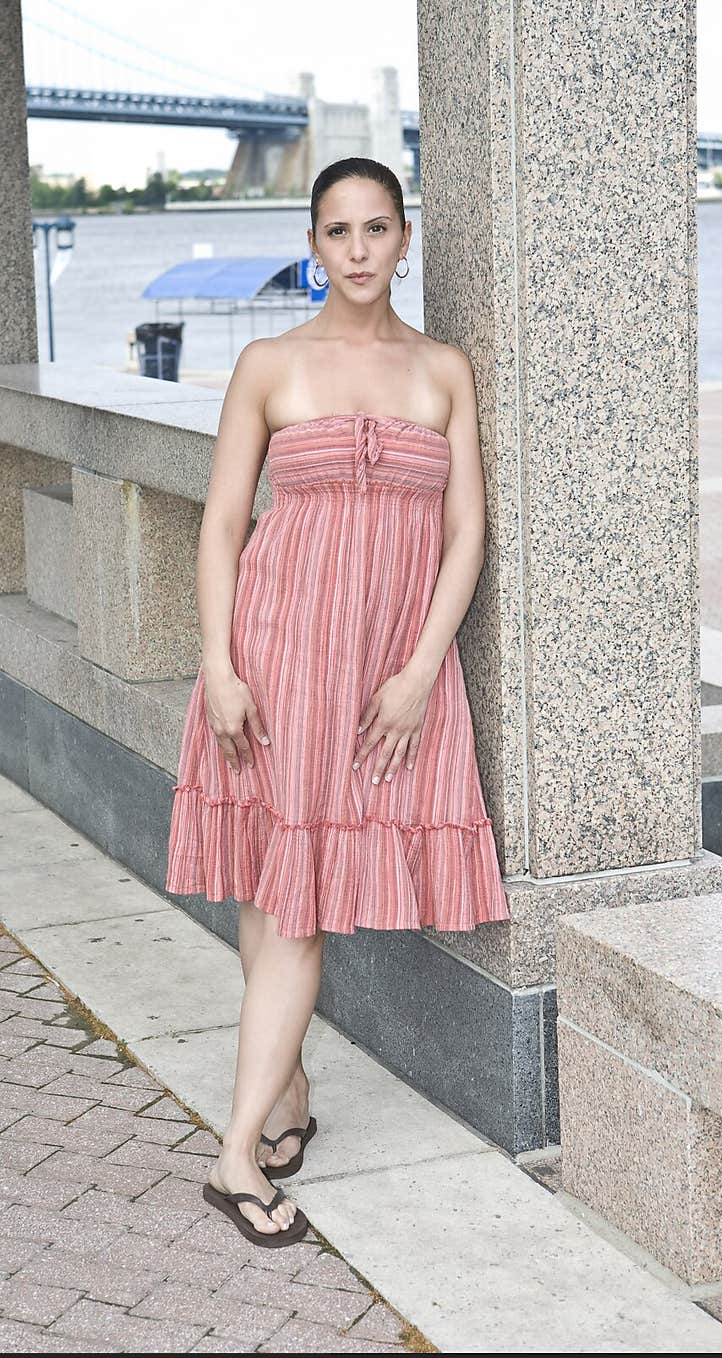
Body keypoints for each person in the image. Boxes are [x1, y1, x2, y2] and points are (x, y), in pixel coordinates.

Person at [165, 156, 509, 1245]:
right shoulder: (269, 363)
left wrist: (419, 670)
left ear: (405, 239)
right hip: (270, 661)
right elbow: (222, 525)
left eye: (375, 228)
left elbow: (464, 534)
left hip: (381, 679)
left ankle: (285, 1096)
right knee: (280, 894)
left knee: (287, 900)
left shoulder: (443, 371)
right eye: (335, 232)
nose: (357, 250)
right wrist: (219, 664)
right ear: (312, 248)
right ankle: (236, 1152)